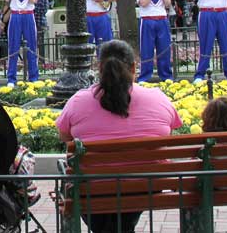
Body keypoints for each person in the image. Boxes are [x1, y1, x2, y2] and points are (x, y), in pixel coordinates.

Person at [56, 39, 182, 233]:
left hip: (93, 188)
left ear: (99, 67)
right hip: (146, 185)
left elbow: (65, 136)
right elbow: (167, 134)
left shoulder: (79, 101)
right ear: (134, 67)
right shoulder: (158, 98)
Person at [135, 0, 174, 83]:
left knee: (164, 48)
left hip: (162, 20)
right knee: (147, 49)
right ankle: (145, 77)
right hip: (147, 20)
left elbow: (168, 4)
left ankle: (166, 76)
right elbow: (143, 3)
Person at [3, 0, 39, 87]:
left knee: (31, 47)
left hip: (28, 15)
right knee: (13, 47)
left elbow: (34, 1)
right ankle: (11, 79)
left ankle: (33, 77)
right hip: (15, 15)